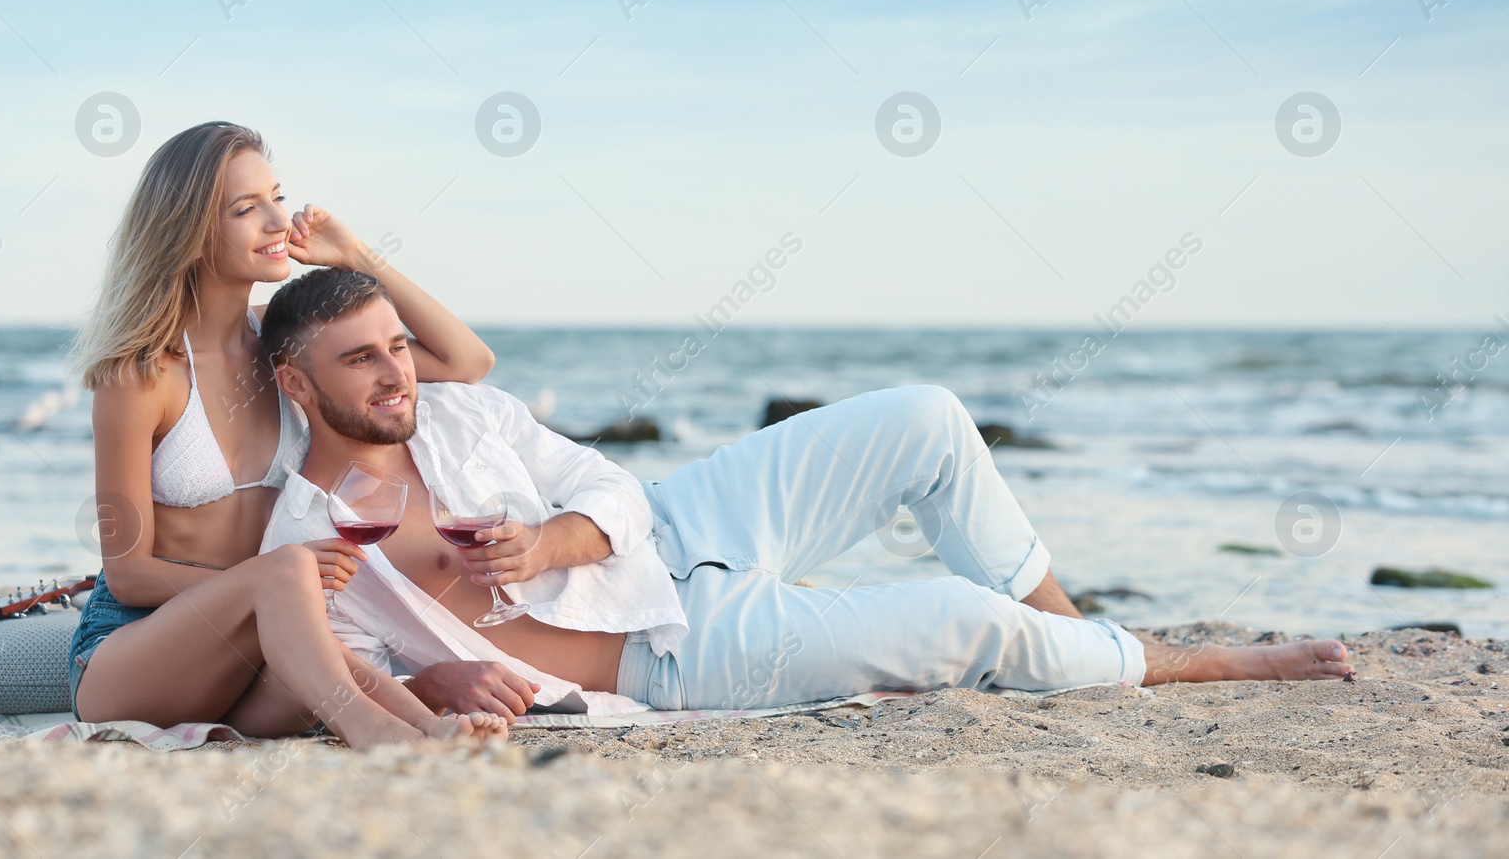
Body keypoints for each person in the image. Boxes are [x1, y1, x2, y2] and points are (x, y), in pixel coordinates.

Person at [258, 266, 1358, 721]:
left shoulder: (459, 414)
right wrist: (441, 670)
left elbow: (607, 481)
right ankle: (1187, 658)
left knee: (925, 412)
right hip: (678, 648)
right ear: (296, 382)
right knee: (961, 620)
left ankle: (1076, 640)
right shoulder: (309, 540)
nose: (398, 372)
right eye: (363, 359)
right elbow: (342, 674)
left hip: (685, 524)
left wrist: (550, 542)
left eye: (398, 345)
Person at [66, 121, 505, 748]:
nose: (279, 221)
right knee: (297, 593)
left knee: (331, 660)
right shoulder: (140, 374)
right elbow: (130, 572)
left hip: (256, 648)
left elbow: (467, 362)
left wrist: (358, 257)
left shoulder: (284, 345)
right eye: (247, 209)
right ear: (186, 233)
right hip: (136, 650)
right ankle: (382, 740)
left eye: (277, 196)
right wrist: (280, 577)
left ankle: (432, 731)